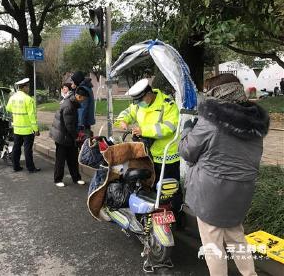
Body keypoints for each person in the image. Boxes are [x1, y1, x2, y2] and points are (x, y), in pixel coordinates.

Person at [179, 74, 269, 276]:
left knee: (213, 245)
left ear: (217, 93)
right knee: (237, 236)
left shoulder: (210, 120)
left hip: (211, 193)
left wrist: (187, 131)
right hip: (241, 190)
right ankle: (250, 274)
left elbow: (187, 151)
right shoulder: (255, 124)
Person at [114, 78, 182, 216]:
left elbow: (170, 127)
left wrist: (144, 130)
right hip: (146, 153)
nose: (138, 104)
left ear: (148, 94)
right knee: (150, 186)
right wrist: (122, 121)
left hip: (166, 155)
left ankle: (176, 216)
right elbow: (128, 112)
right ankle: (154, 218)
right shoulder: (139, 104)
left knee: (169, 189)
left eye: (140, 100)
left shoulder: (167, 104)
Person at [50, 86, 89, 187]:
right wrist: (77, 136)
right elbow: (69, 126)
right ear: (79, 96)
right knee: (60, 159)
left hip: (67, 136)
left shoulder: (72, 102)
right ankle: (58, 179)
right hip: (62, 136)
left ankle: (76, 178)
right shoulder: (69, 106)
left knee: (73, 157)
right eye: (83, 99)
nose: (83, 101)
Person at [6, 78, 41, 173]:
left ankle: (16, 166)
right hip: (27, 129)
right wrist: (36, 129)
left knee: (16, 148)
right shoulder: (28, 99)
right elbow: (32, 116)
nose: (28, 88)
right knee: (27, 150)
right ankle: (31, 168)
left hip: (17, 128)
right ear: (24, 87)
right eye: (28, 86)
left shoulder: (12, 97)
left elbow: (8, 108)